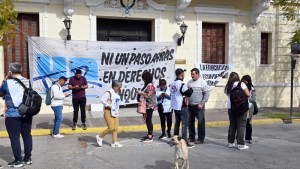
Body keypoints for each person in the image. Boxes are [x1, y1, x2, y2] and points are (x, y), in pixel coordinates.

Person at [0, 63, 33, 167]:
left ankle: (18, 160)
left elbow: (0, 93)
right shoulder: (27, 81)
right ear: (21, 70)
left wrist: (4, 80)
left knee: (14, 138)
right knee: (27, 136)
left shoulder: (7, 83)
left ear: (10, 71)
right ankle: (27, 158)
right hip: (26, 113)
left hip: (12, 114)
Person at [224, 72, 250, 150]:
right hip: (241, 107)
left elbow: (227, 94)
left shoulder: (228, 86)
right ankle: (240, 144)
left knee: (232, 125)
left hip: (231, 107)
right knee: (241, 125)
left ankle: (230, 143)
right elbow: (248, 94)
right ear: (238, 77)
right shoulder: (241, 84)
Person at [170, 68, 194, 148]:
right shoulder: (181, 84)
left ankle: (175, 139)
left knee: (177, 123)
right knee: (184, 124)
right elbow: (189, 93)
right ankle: (184, 142)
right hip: (182, 106)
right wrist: (190, 88)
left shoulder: (172, 83)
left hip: (175, 106)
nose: (184, 75)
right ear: (181, 74)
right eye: (183, 73)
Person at [96, 80, 123, 147]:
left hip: (115, 112)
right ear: (115, 86)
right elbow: (102, 100)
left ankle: (114, 142)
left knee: (115, 128)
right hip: (108, 111)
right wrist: (108, 106)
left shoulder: (116, 93)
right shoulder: (109, 92)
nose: (120, 89)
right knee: (111, 127)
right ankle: (100, 136)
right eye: (119, 87)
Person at [187, 68, 210, 144]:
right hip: (190, 106)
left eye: (193, 74)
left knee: (200, 122)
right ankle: (191, 137)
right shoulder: (189, 82)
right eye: (191, 74)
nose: (192, 76)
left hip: (199, 106)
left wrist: (202, 103)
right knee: (190, 122)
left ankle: (200, 138)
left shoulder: (202, 82)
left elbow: (207, 93)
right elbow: (187, 94)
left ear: (198, 74)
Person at [137, 71, 157, 142]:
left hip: (150, 106)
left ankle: (150, 136)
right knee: (147, 120)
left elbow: (149, 95)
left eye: (143, 78)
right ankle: (149, 134)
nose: (143, 80)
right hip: (146, 105)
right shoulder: (147, 85)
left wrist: (140, 92)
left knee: (149, 120)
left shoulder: (150, 86)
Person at [241, 75, 256, 144]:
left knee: (248, 123)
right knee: (241, 123)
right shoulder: (241, 86)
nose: (244, 82)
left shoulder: (252, 89)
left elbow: (253, 99)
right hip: (242, 106)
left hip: (249, 108)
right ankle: (239, 137)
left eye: (245, 81)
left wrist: (247, 97)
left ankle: (248, 138)